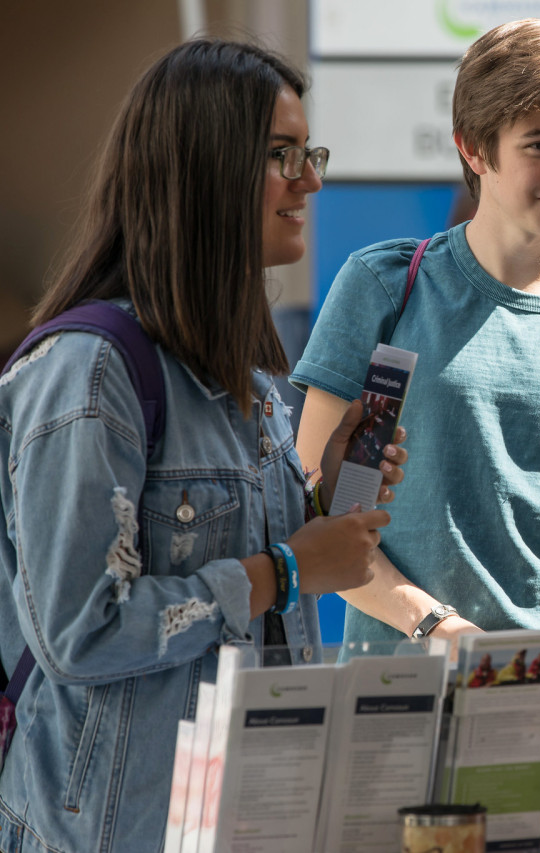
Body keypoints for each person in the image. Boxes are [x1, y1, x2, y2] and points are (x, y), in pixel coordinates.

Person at [0, 40, 408, 853]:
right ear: (207, 169)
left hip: (248, 822)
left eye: (309, 153)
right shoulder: (87, 373)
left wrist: (324, 497)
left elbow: (248, 578)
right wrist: (289, 569)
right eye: (281, 156)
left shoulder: (249, 379)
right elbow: (84, 630)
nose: (311, 181)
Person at [291, 19, 540, 650]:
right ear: (474, 148)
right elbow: (329, 510)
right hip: (397, 697)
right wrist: (439, 629)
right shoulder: (389, 290)